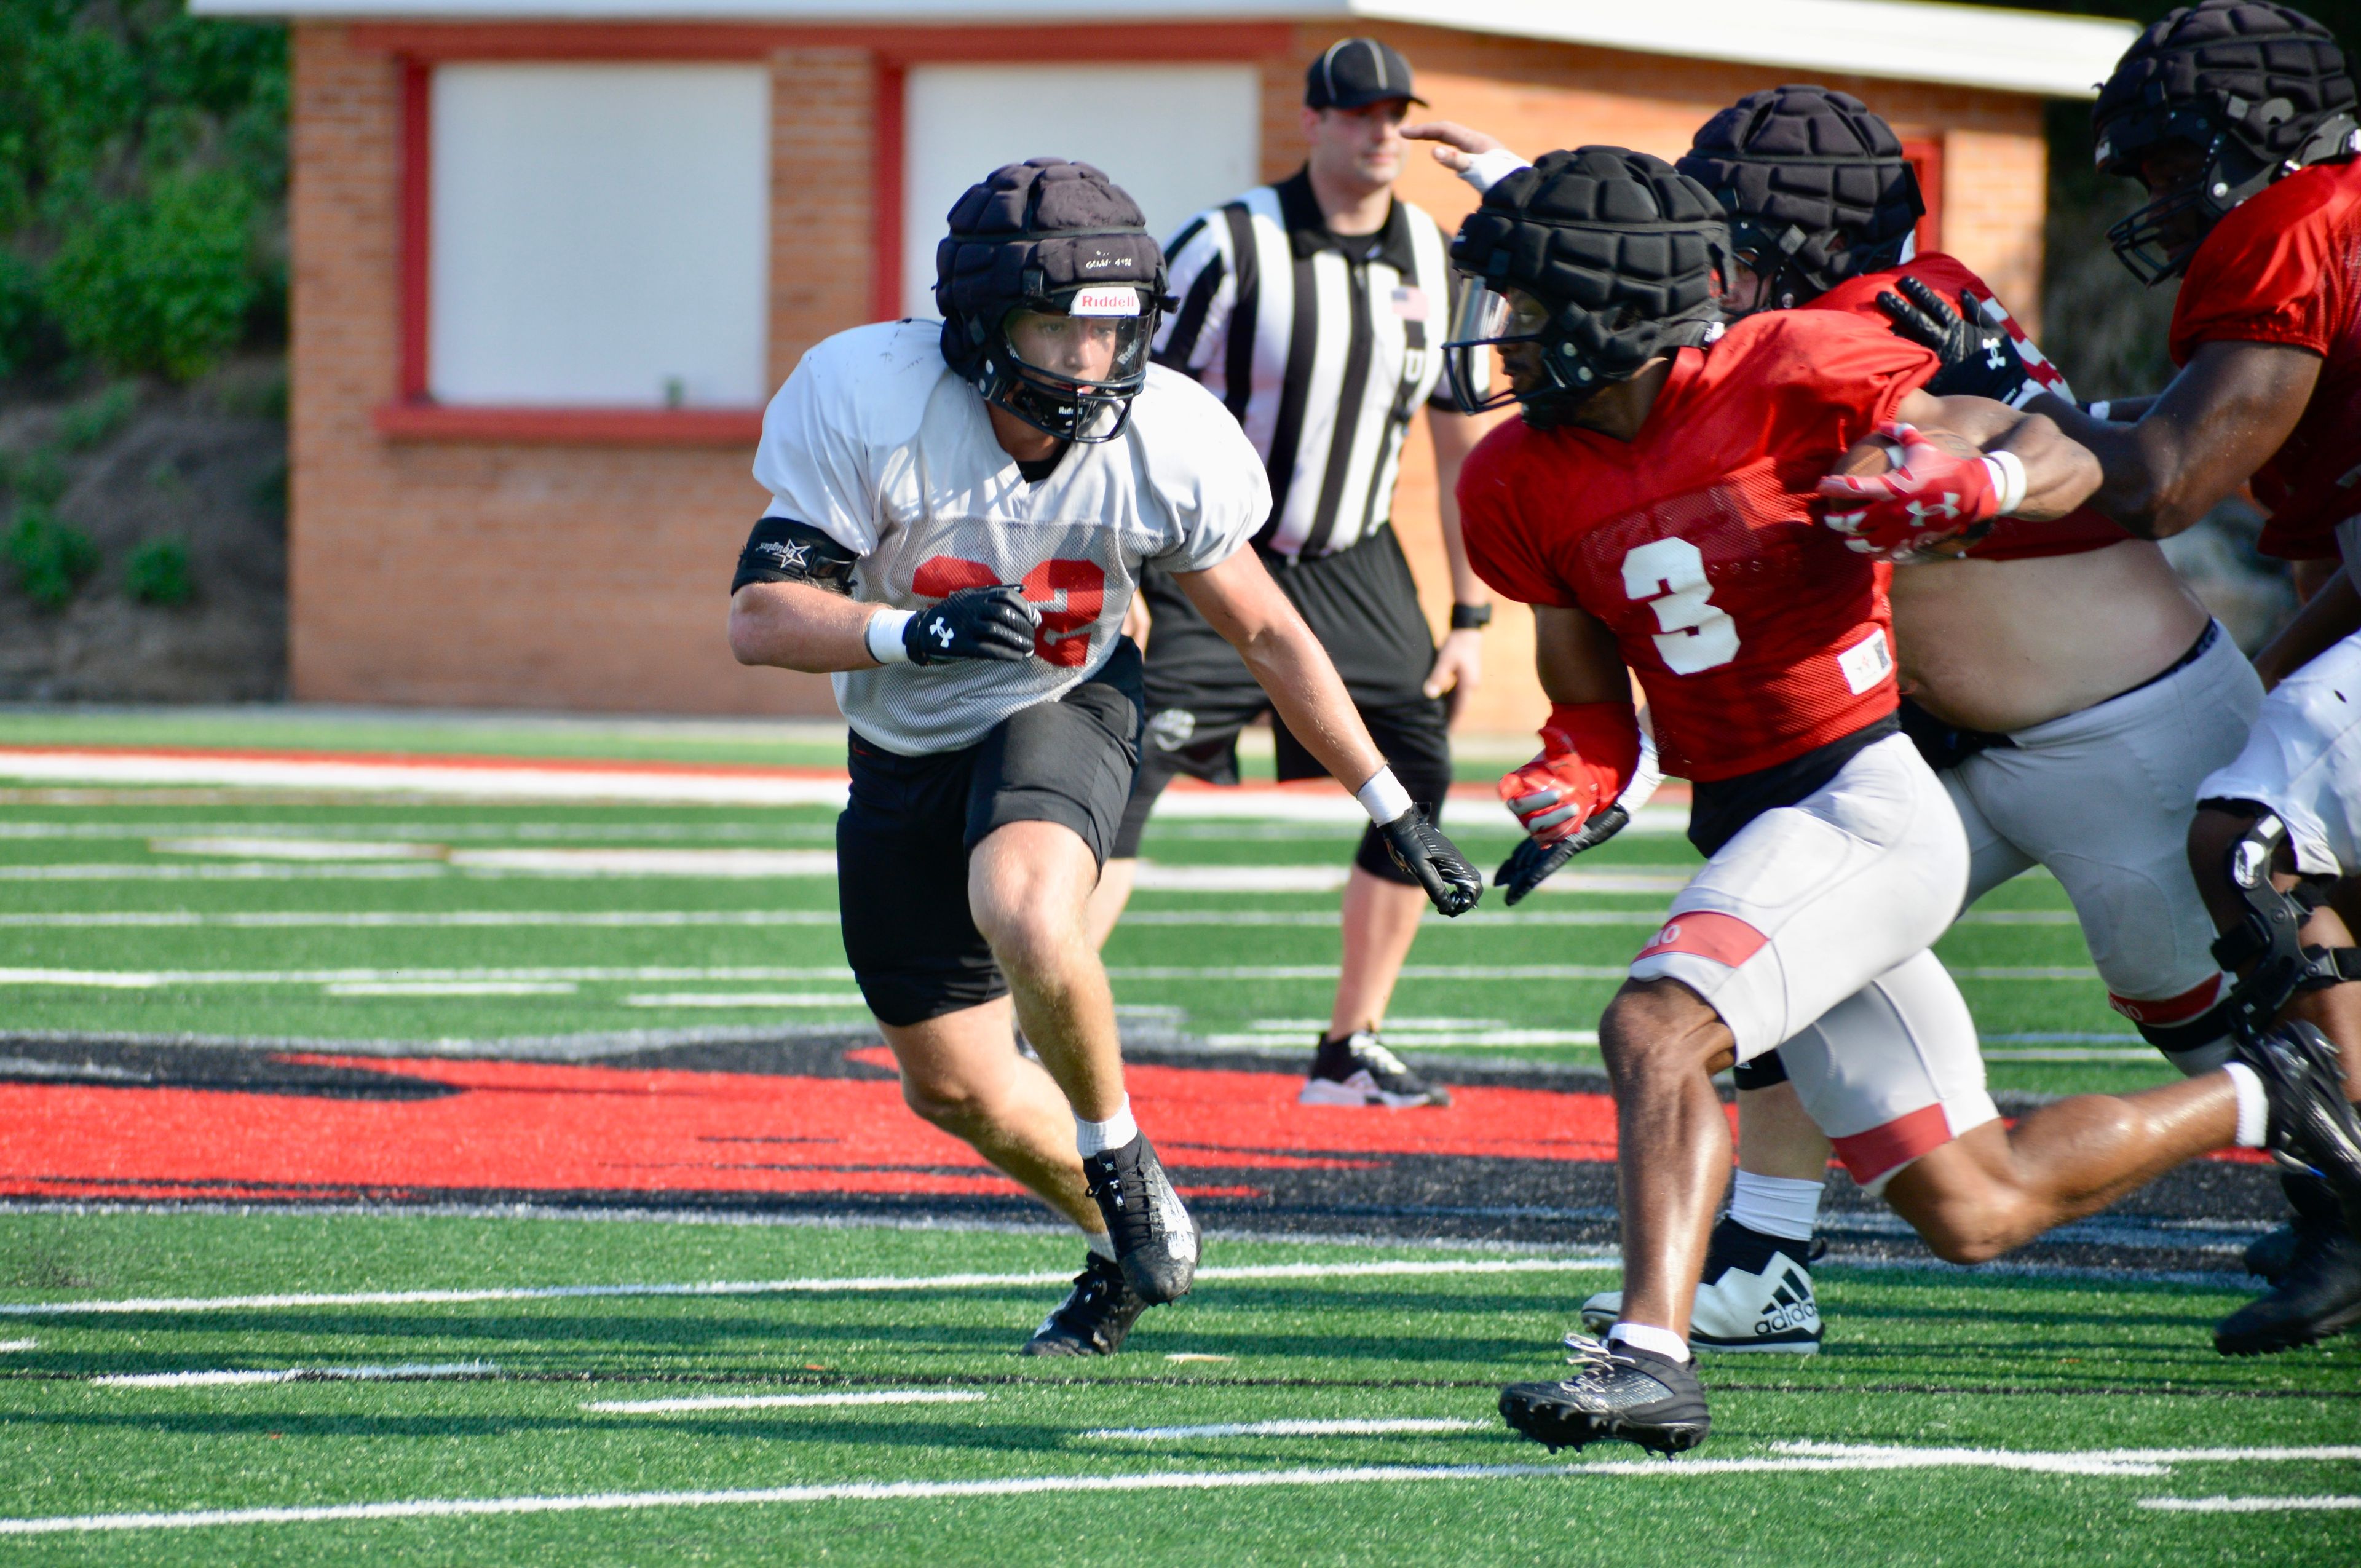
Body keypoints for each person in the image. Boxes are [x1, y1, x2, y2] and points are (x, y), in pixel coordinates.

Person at [1439, 146, 2361, 1455]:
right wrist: (1582, 767)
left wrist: (1979, 481)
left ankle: (1651, 1356)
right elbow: (1585, 682)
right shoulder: (1511, 479)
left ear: (1609, 311)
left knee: (1657, 1025)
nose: (1502, 336)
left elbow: (2006, 427)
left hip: (1862, 806)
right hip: (1758, 823)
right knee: (1976, 1207)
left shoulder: (1791, 365)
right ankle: (2276, 1091)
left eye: (1525, 305)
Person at [726, 158, 1482, 1360]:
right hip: (899, 738)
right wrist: (905, 632)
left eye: (1112, 330)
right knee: (956, 1088)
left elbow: (1270, 630)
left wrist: (1392, 804)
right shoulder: (862, 390)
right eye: (1055, 329)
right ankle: (1124, 1229)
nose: (1089, 361)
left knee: (1025, 904)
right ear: (976, 325)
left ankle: (1118, 1141)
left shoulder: (1170, 431)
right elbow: (760, 617)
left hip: (1064, 695)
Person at [2020, 0, 2361, 1353]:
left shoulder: (2299, 221)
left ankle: (2351, 1189)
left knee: (2246, 847)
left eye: (2168, 164)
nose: (2160, 200)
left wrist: (2012, 436)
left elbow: (2169, 483)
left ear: (2249, 141)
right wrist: (2266, 675)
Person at [1082, 38, 1497, 1111]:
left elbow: (1459, 437)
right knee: (1123, 780)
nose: (1381, 133)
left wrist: (1469, 608)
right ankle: (1039, 1016)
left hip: (1356, 555)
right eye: (1358, 113)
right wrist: (1118, 561)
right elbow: (1128, 407)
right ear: (1311, 121)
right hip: (1212, 559)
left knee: (1415, 776)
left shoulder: (1432, 252)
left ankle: (1350, 1046)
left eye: (1398, 113)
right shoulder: (1230, 244)